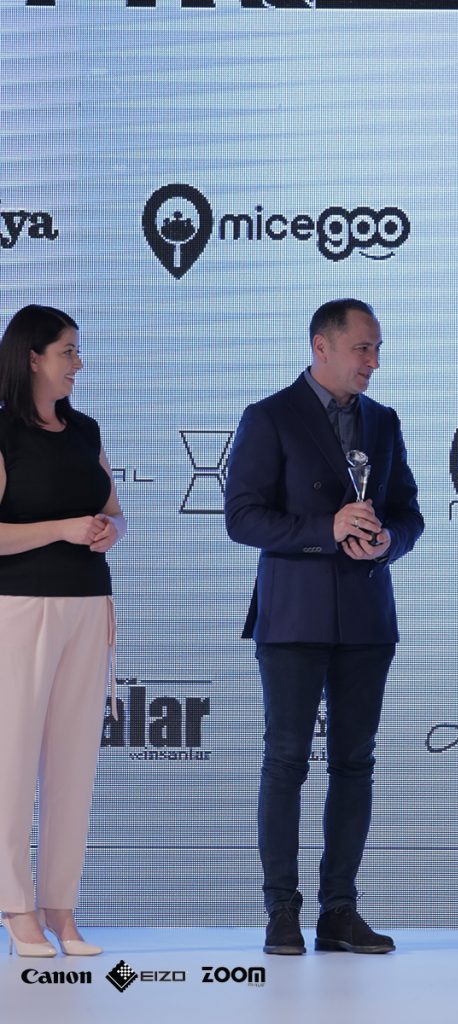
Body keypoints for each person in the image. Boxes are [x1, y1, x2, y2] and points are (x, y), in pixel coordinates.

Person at [225, 299, 423, 955]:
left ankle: (339, 911)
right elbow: (242, 518)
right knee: (285, 761)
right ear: (322, 347)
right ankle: (281, 912)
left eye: (377, 349)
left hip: (366, 616)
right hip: (292, 616)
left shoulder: (383, 421)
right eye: (363, 348)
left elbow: (408, 514)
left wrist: (388, 541)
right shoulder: (269, 417)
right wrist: (326, 528)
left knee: (354, 763)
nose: (373, 362)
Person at [0, 305, 125, 957]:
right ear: (33, 358)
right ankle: (16, 907)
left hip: (87, 604)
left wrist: (109, 531)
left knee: (74, 765)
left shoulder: (85, 429)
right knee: (12, 761)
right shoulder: (3, 433)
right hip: (20, 608)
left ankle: (61, 907)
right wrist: (63, 529)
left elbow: (112, 510)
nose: (79, 363)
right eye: (68, 351)